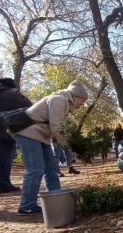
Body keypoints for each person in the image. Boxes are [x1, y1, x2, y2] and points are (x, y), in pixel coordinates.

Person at [11, 81, 89, 216]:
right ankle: (26, 206)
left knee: (52, 169)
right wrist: (70, 146)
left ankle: (57, 200)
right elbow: (57, 127)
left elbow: (55, 128)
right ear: (77, 96)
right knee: (35, 169)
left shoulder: (63, 102)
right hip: (29, 133)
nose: (83, 104)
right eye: (83, 100)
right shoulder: (59, 100)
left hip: (42, 136)